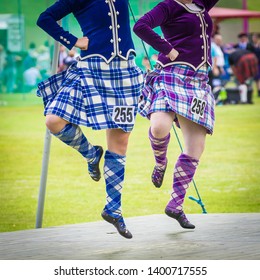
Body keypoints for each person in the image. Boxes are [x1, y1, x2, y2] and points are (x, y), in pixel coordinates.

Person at [36, 0, 143, 239]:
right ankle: (91, 154)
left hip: (125, 72)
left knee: (120, 144)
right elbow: (44, 19)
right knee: (54, 121)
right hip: (90, 68)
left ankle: (114, 209)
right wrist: (73, 41)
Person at [133, 0, 219, 229]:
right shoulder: (169, 6)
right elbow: (140, 26)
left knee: (195, 148)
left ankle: (175, 205)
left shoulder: (202, 4)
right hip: (171, 74)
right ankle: (160, 163)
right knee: (159, 126)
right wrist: (167, 49)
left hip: (198, 82)